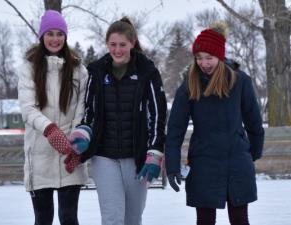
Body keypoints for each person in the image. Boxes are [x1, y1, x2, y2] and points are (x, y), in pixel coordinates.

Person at [68, 17, 167, 225]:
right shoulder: (96, 71)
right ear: (106, 44)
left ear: (132, 43)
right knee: (112, 218)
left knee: (132, 218)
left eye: (122, 44)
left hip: (137, 158)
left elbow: (157, 115)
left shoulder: (147, 72)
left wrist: (155, 151)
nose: (118, 50)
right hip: (104, 156)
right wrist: (83, 132)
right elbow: (89, 111)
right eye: (113, 44)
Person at [165, 22, 264, 225]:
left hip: (236, 163)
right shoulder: (189, 86)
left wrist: (251, 154)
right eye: (199, 58)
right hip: (203, 164)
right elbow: (175, 130)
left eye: (208, 58)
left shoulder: (240, 82)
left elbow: (254, 124)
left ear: (219, 56)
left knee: (239, 219)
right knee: (205, 220)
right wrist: (172, 165)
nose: (203, 63)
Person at [18, 10, 88, 225]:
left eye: (60, 34)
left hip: (70, 155)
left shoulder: (79, 70)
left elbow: (81, 109)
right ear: (42, 36)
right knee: (43, 218)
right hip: (40, 156)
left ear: (66, 37)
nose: (55, 39)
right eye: (50, 34)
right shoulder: (28, 69)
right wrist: (50, 129)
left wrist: (76, 142)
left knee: (69, 217)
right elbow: (28, 108)